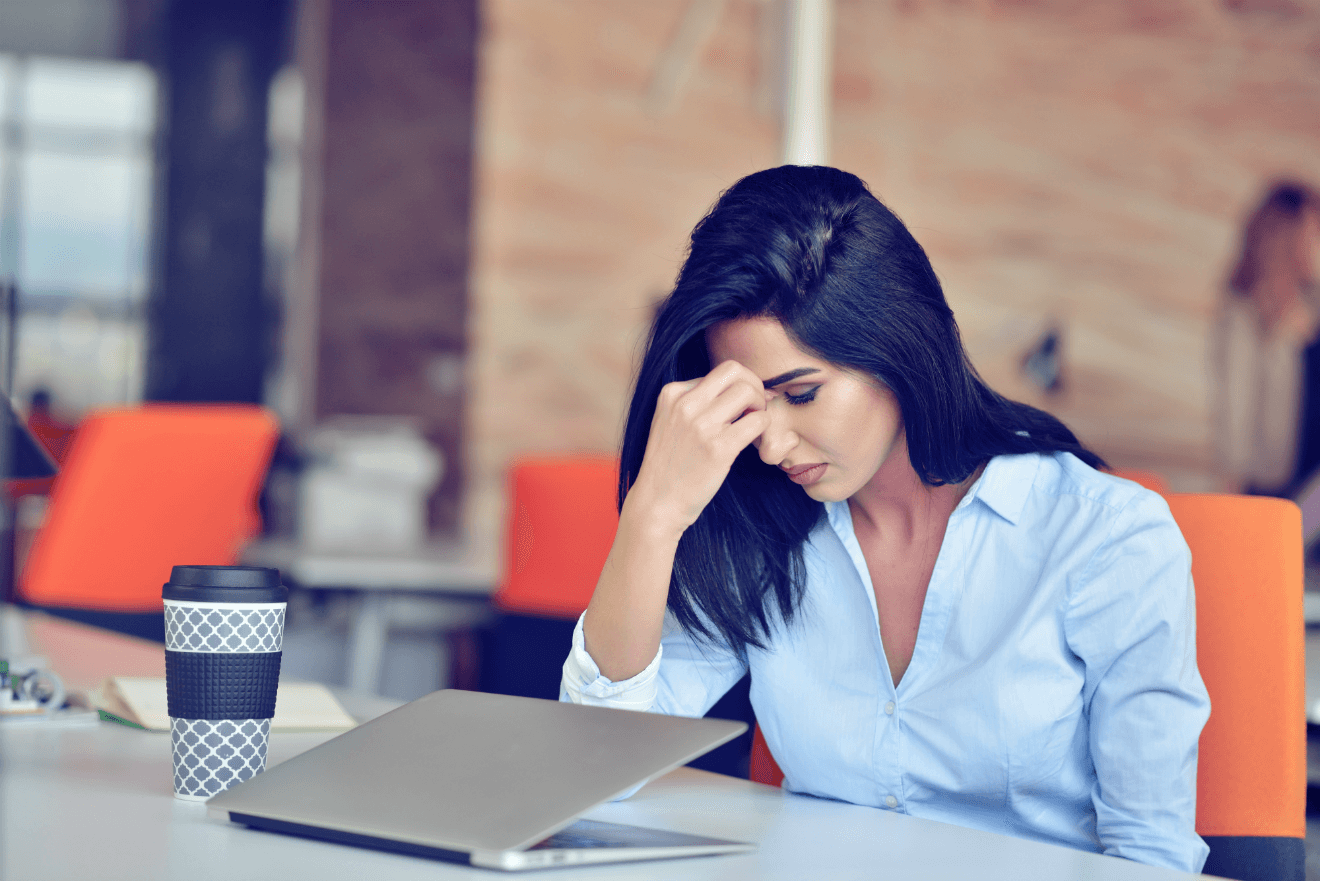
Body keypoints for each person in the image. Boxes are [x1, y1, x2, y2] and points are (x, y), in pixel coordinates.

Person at [560, 166, 1209, 873]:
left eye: (802, 394)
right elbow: (598, 773)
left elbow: (1153, 856)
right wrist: (653, 514)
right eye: (750, 407)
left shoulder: (1105, 537)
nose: (772, 444)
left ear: (897, 349)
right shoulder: (761, 532)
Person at [1213, 181, 1320, 496]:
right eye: (1311, 230)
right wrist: (1231, 476)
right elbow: (1235, 399)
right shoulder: (1244, 310)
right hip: (1276, 477)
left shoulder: (1311, 301)